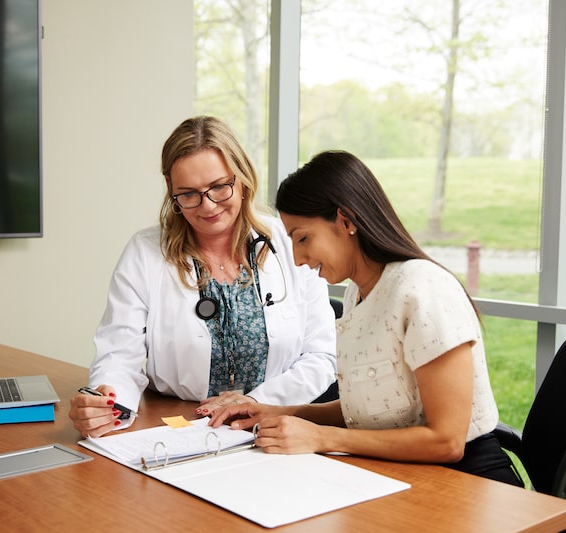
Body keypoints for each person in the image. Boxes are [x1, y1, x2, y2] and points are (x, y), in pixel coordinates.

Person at [210, 150, 522, 486]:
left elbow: (446, 441)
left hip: (466, 480)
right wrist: (279, 412)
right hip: (395, 471)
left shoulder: (422, 288)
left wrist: (322, 437)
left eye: (303, 238)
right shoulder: (357, 294)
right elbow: (369, 408)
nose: (298, 259)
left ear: (346, 221)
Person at [69, 116, 337, 438]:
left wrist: (256, 401)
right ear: (170, 188)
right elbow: (119, 355)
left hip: (275, 424)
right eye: (188, 194)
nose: (207, 206)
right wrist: (106, 402)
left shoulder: (289, 241)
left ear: (242, 177)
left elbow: (321, 356)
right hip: (179, 426)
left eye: (219, 187)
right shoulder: (145, 252)